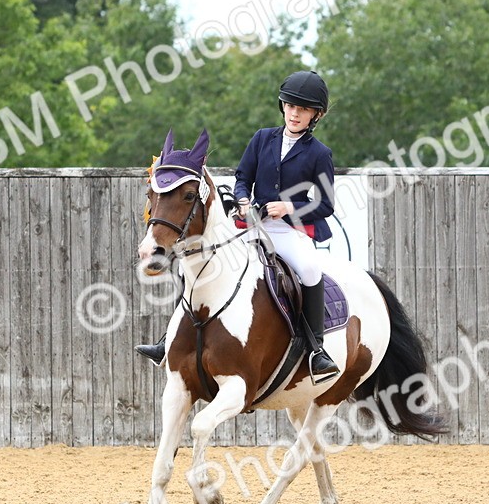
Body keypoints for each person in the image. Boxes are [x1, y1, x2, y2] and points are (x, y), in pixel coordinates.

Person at [136, 70, 341, 384]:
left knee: (311, 269)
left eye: (303, 109)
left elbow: (325, 204)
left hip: (287, 231)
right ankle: (169, 339)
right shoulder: (262, 138)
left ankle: (316, 349)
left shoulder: (319, 153)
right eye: (290, 106)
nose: (295, 113)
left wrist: (288, 207)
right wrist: (244, 200)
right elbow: (243, 178)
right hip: (250, 225)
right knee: (192, 264)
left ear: (316, 115)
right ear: (283, 106)